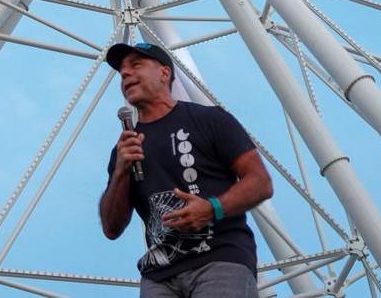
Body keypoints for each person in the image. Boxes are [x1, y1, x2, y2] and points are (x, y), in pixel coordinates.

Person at [99, 41, 273, 297]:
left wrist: (211, 208)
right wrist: (120, 172)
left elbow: (260, 182)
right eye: (122, 71)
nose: (125, 73)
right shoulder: (125, 149)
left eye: (136, 65)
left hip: (219, 258)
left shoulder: (208, 119)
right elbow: (111, 227)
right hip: (158, 275)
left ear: (164, 73)